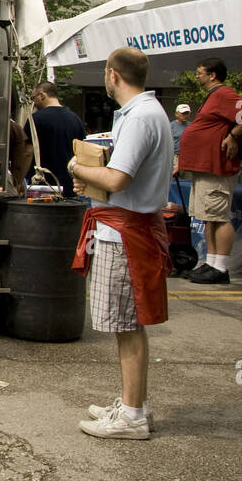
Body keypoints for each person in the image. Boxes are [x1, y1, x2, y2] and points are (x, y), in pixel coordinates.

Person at [69, 46, 172, 440]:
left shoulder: (141, 117)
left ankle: (132, 416)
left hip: (125, 234)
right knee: (126, 324)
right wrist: (93, 177)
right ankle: (134, 404)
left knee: (125, 325)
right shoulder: (148, 113)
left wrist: (77, 167)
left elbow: (117, 179)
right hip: (128, 227)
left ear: (113, 74)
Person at [177, 57, 242, 284]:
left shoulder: (224, 94)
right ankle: (212, 263)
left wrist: (234, 135)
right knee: (208, 218)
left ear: (212, 75)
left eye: (199, 72)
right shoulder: (215, 97)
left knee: (219, 217)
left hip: (216, 168)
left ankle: (221, 267)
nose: (197, 76)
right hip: (205, 168)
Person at [25, 82, 87, 197]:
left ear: (42, 95)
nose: (33, 102)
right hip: (70, 184)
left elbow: (28, 152)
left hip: (42, 185)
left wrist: (21, 178)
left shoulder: (35, 120)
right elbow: (82, 152)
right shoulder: (75, 119)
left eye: (33, 98)